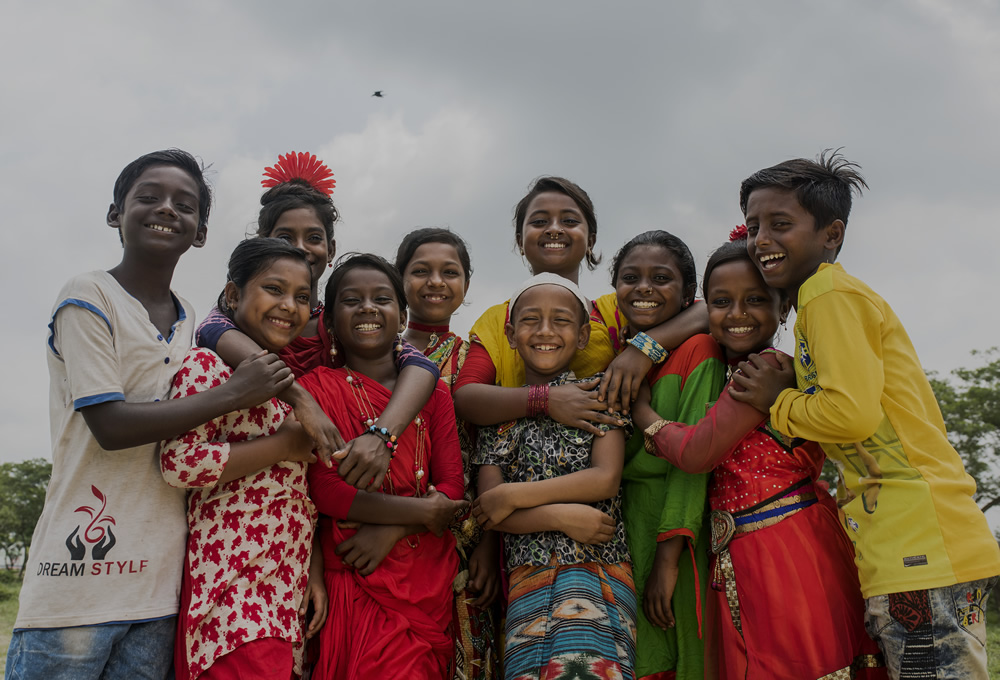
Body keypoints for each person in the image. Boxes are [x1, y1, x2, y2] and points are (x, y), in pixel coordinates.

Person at [6, 150, 293, 680]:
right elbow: (111, 426)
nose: (166, 209)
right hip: (75, 582)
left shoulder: (193, 325)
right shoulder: (88, 296)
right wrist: (232, 396)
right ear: (116, 213)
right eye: (149, 197)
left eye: (184, 204)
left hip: (159, 592)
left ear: (201, 232)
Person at [731, 150, 1000, 679]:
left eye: (780, 224)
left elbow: (849, 416)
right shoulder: (819, 300)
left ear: (831, 234)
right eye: (754, 224)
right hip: (908, 542)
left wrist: (774, 401)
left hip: (920, 541)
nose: (761, 238)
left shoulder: (829, 294)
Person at [635, 229, 886, 679]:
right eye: (721, 302)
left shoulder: (765, 370)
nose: (737, 315)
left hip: (786, 546)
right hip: (742, 554)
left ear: (783, 307)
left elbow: (696, 453)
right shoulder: (723, 367)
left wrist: (642, 412)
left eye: (754, 300)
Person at [196, 151, 440, 491]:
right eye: (284, 238)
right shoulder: (236, 317)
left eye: (313, 237)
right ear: (262, 243)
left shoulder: (337, 322)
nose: (301, 248)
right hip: (244, 481)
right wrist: (302, 399)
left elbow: (420, 366)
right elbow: (210, 331)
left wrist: (382, 436)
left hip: (331, 477)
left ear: (331, 246)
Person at [161, 238, 327, 679]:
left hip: (282, 594)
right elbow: (179, 462)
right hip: (232, 597)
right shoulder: (208, 367)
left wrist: (313, 571)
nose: (289, 306)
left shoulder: (291, 387)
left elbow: (296, 496)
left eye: (303, 297)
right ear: (233, 296)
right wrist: (283, 447)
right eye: (274, 289)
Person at [300, 253, 468, 679]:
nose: (368, 308)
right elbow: (326, 491)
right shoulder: (315, 389)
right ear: (332, 322)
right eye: (352, 300)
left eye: (382, 298)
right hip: (356, 573)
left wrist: (394, 528)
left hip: (423, 576)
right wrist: (424, 513)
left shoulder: (434, 395)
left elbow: (450, 486)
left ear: (402, 314)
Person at [472, 273, 636, 680]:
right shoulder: (499, 419)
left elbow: (604, 479)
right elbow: (491, 511)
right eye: (530, 321)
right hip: (529, 581)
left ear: (583, 336)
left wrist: (514, 493)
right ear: (510, 334)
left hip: (600, 574)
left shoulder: (600, 396)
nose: (545, 332)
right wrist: (561, 516)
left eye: (561, 321)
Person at [454, 176, 707, 437]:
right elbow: (466, 398)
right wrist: (546, 401)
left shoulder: (616, 309)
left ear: (591, 241)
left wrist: (642, 350)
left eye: (570, 221)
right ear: (520, 241)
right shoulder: (498, 319)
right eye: (539, 221)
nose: (554, 229)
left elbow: (706, 312)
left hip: (615, 465)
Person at [610, 230, 725, 680]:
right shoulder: (616, 353)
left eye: (661, 278)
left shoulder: (699, 351)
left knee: (683, 652)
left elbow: (693, 467)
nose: (644, 288)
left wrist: (668, 559)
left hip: (674, 529)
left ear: (688, 293)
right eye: (630, 277)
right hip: (627, 528)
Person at [395, 227, 500, 680]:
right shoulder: (373, 351)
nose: (435, 281)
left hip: (464, 536)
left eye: (449, 272)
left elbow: (495, 448)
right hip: (385, 526)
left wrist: (492, 543)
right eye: (421, 271)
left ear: (466, 286)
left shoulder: (475, 357)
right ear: (398, 280)